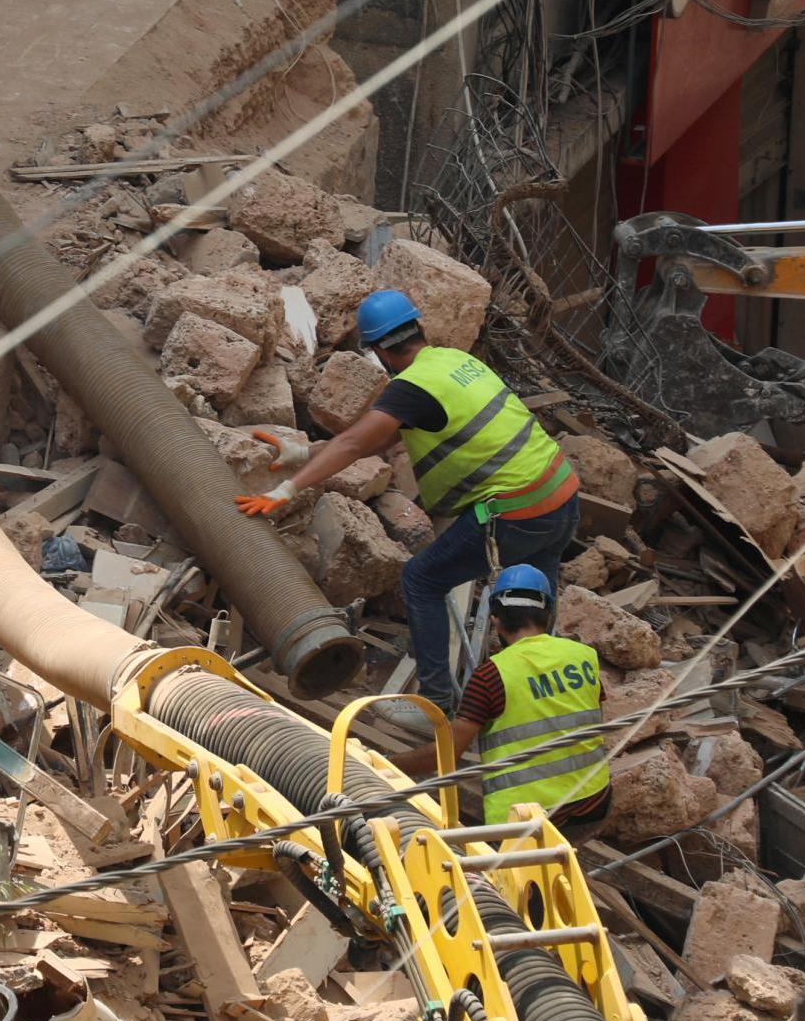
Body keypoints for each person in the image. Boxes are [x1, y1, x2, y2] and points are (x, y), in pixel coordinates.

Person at [235, 289, 581, 714]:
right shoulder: (456, 362)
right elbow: (377, 438)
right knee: (536, 601)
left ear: (379, 350)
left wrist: (285, 489)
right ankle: (550, 700)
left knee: (422, 580)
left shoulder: (412, 386)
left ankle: (433, 706)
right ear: (420, 328)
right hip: (562, 497)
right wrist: (304, 454)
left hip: (517, 511)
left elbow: (353, 442)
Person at [450, 567, 612, 835]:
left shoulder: (491, 676)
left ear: (495, 620)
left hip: (523, 822)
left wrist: (391, 761)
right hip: (593, 803)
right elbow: (593, 716)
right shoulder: (583, 655)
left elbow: (445, 756)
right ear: (548, 615)